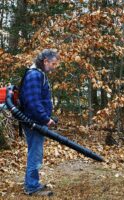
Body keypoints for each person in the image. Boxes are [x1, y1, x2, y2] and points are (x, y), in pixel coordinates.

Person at [19, 49, 59, 196]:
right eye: (53, 63)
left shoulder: (38, 74)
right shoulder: (34, 75)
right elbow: (33, 103)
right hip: (33, 121)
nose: (54, 67)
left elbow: (38, 101)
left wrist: (47, 117)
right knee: (35, 154)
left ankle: (32, 182)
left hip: (35, 120)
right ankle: (31, 186)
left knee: (35, 152)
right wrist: (45, 119)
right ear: (45, 61)